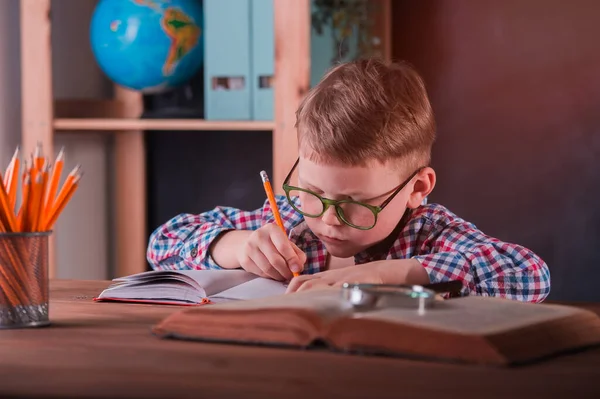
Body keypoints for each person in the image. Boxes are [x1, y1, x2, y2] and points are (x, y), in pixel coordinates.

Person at [146, 58, 550, 302]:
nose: (329, 219)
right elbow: (162, 244)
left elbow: (527, 275)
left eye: (355, 201)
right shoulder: (293, 220)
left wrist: (376, 275)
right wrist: (235, 246)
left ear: (417, 189)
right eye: (312, 191)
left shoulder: (431, 234)